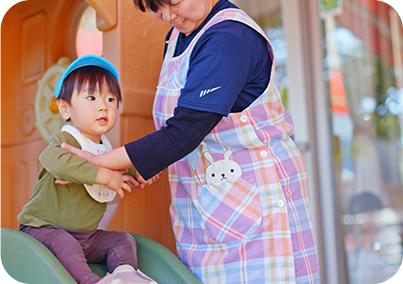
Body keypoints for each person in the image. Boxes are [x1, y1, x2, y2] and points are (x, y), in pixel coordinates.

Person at [62, 1, 319, 283]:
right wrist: (146, 162)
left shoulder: (229, 38)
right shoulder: (176, 39)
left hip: (256, 202)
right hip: (207, 209)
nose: (169, 16)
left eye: (174, 2)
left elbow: (186, 130)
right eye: (155, 7)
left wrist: (98, 162)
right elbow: (177, 132)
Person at [18, 55, 157, 284]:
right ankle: (89, 280)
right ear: (65, 108)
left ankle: (124, 274)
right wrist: (104, 176)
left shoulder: (104, 148)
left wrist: (137, 172)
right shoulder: (67, 139)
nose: (103, 106)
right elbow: (53, 159)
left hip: (86, 237)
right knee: (65, 243)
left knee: (123, 239)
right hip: (43, 230)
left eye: (111, 99)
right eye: (92, 97)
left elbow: (118, 168)